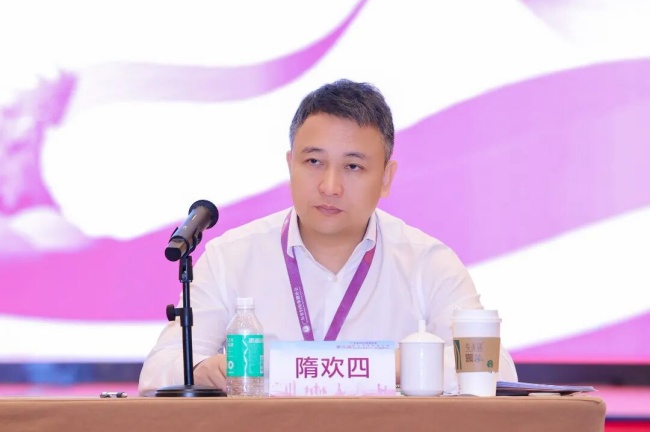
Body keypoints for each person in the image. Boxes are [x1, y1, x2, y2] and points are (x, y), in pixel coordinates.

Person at [138, 79, 518, 395]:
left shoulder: (427, 262)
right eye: (314, 162)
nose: (330, 186)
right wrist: (201, 371)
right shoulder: (231, 257)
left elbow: (495, 371)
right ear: (290, 165)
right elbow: (158, 371)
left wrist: (399, 365)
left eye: (353, 166)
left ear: (386, 178)